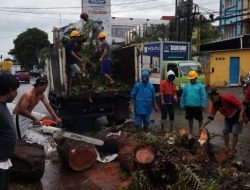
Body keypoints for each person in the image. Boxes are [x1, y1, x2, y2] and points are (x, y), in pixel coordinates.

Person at [206, 88, 242, 154]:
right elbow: (211, 116)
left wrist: (241, 116)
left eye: (212, 97)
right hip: (228, 117)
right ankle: (226, 147)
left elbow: (241, 105)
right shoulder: (215, 104)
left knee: (235, 132)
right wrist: (203, 125)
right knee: (225, 131)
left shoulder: (227, 98)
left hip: (237, 117)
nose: (211, 99)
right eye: (210, 98)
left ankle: (233, 149)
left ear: (217, 95)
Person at [0, 72, 19, 190]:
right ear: (10, 90)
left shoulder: (3, 105)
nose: (16, 94)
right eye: (16, 90)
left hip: (5, 160)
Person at [180, 70, 207, 139]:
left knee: (200, 119)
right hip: (189, 105)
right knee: (190, 119)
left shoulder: (200, 86)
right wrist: (182, 104)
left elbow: (203, 95)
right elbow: (183, 95)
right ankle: (191, 132)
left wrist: (203, 104)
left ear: (196, 78)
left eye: (193, 78)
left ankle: (200, 132)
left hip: (197, 106)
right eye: (190, 79)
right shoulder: (186, 86)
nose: (192, 80)